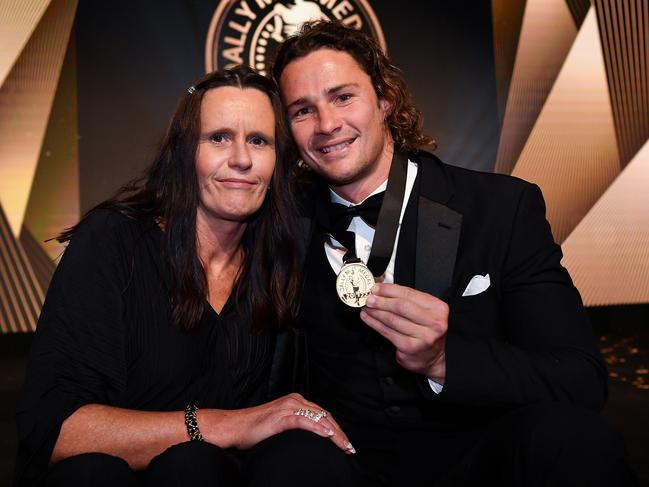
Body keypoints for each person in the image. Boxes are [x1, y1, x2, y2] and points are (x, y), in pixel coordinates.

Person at [268, 21, 637, 486]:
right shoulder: (278, 225)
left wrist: (444, 360)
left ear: (384, 99)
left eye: (343, 97)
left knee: (576, 439)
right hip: (347, 465)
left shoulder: (501, 209)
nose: (327, 125)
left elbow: (579, 379)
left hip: (479, 459)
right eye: (303, 110)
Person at [14, 65, 354, 487]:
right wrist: (225, 425)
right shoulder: (114, 241)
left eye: (259, 141)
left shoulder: (283, 255)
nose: (242, 159)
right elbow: (56, 430)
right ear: (184, 152)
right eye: (219, 138)